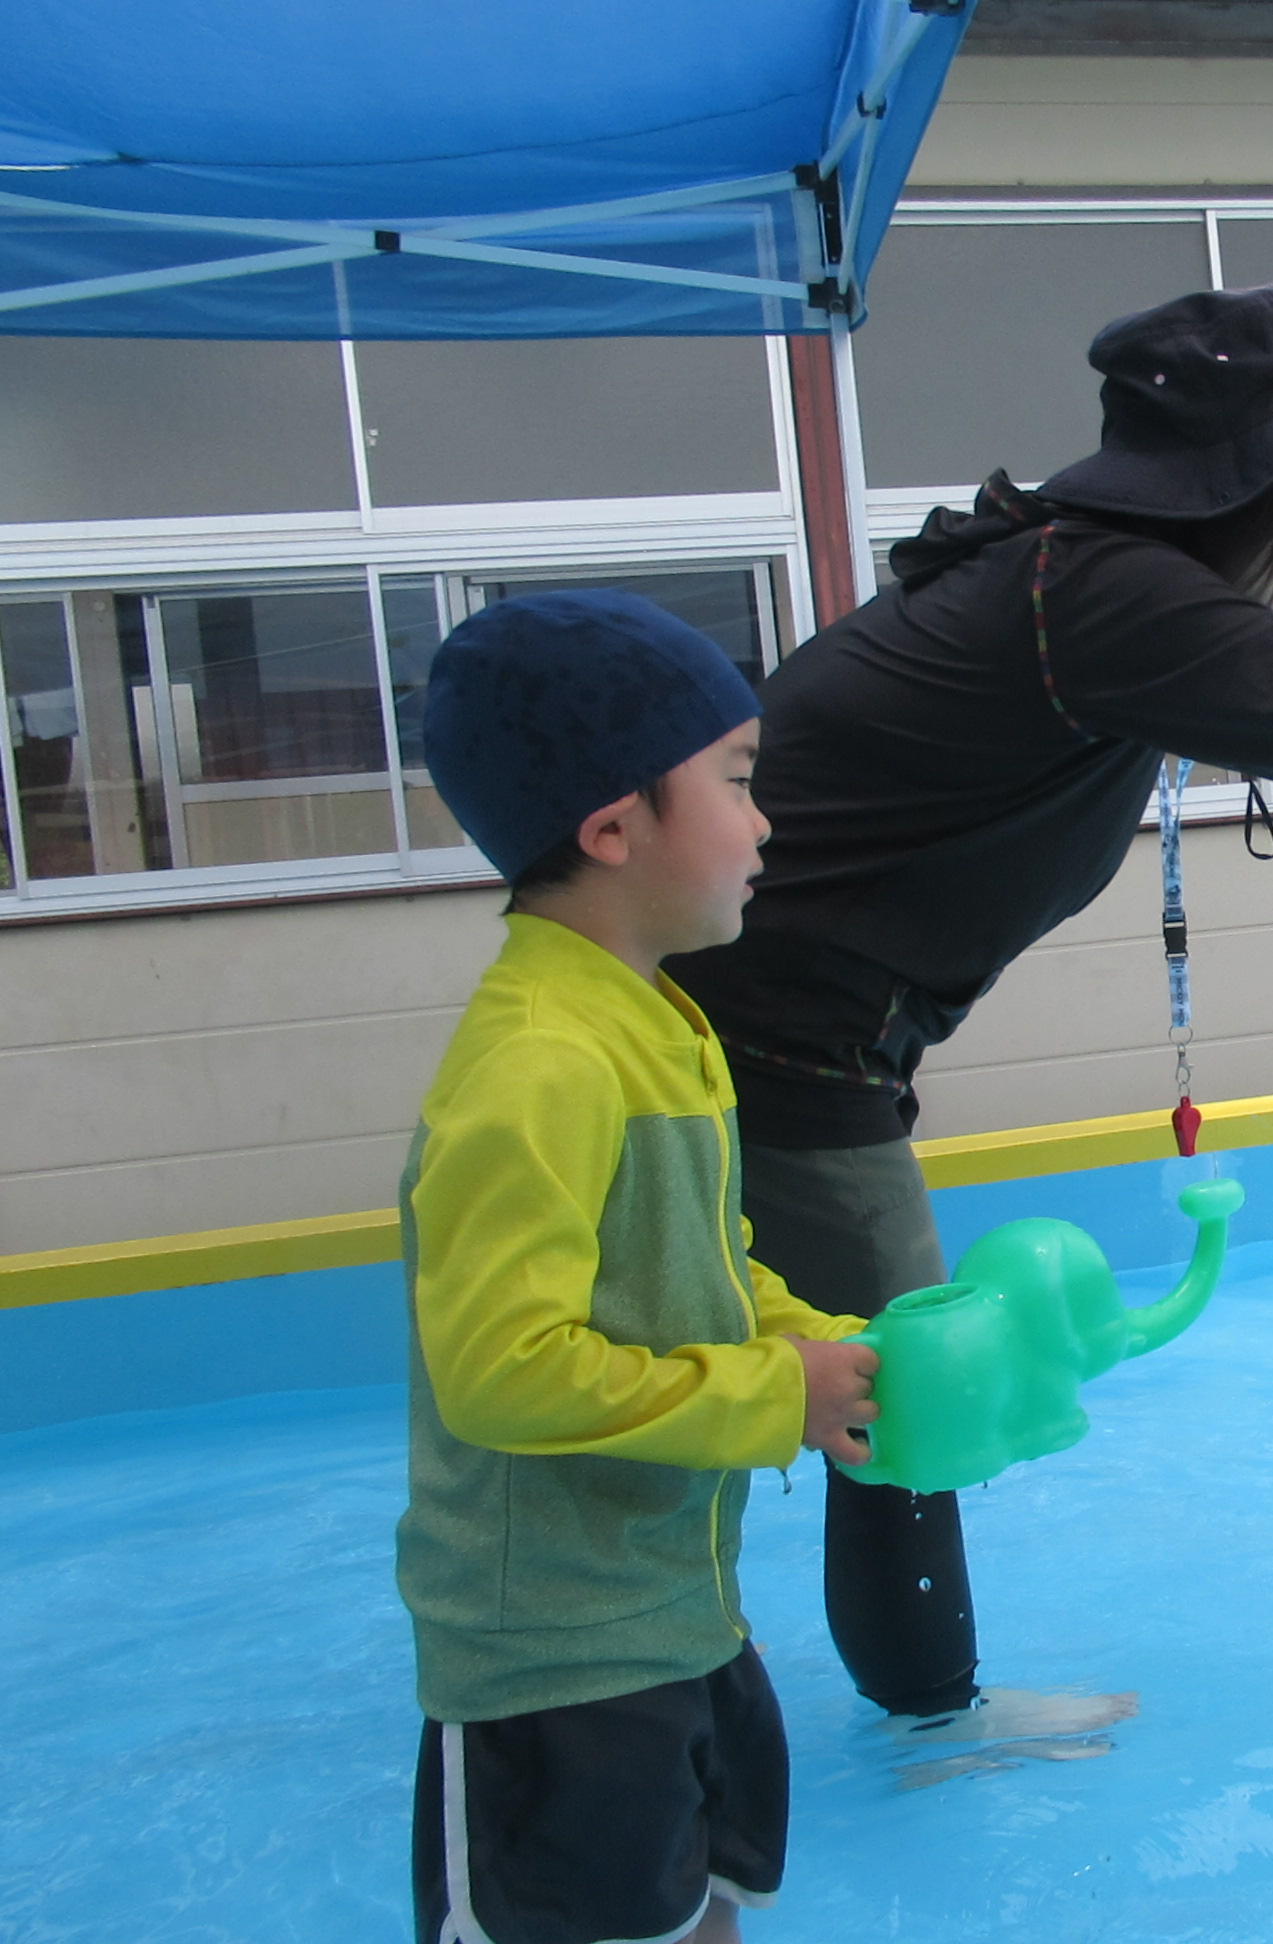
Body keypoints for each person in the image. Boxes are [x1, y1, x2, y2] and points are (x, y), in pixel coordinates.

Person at [668, 283, 1273, 1728]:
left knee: (800, 1370)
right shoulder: (1096, 596)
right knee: (910, 1381)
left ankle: (718, 1695)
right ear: (1248, 482)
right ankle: (933, 1724)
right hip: (766, 1043)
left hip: (754, 1027)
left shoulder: (1072, 585)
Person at [398, 590, 881, 1944]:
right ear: (615, 828)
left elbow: (705, 1267)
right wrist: (771, 1398)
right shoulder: (538, 1061)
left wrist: (833, 1353)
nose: (765, 822)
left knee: (704, 1910)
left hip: (676, 1613)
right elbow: (503, 1374)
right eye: (737, 781)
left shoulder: (653, 1024)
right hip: (551, 1662)